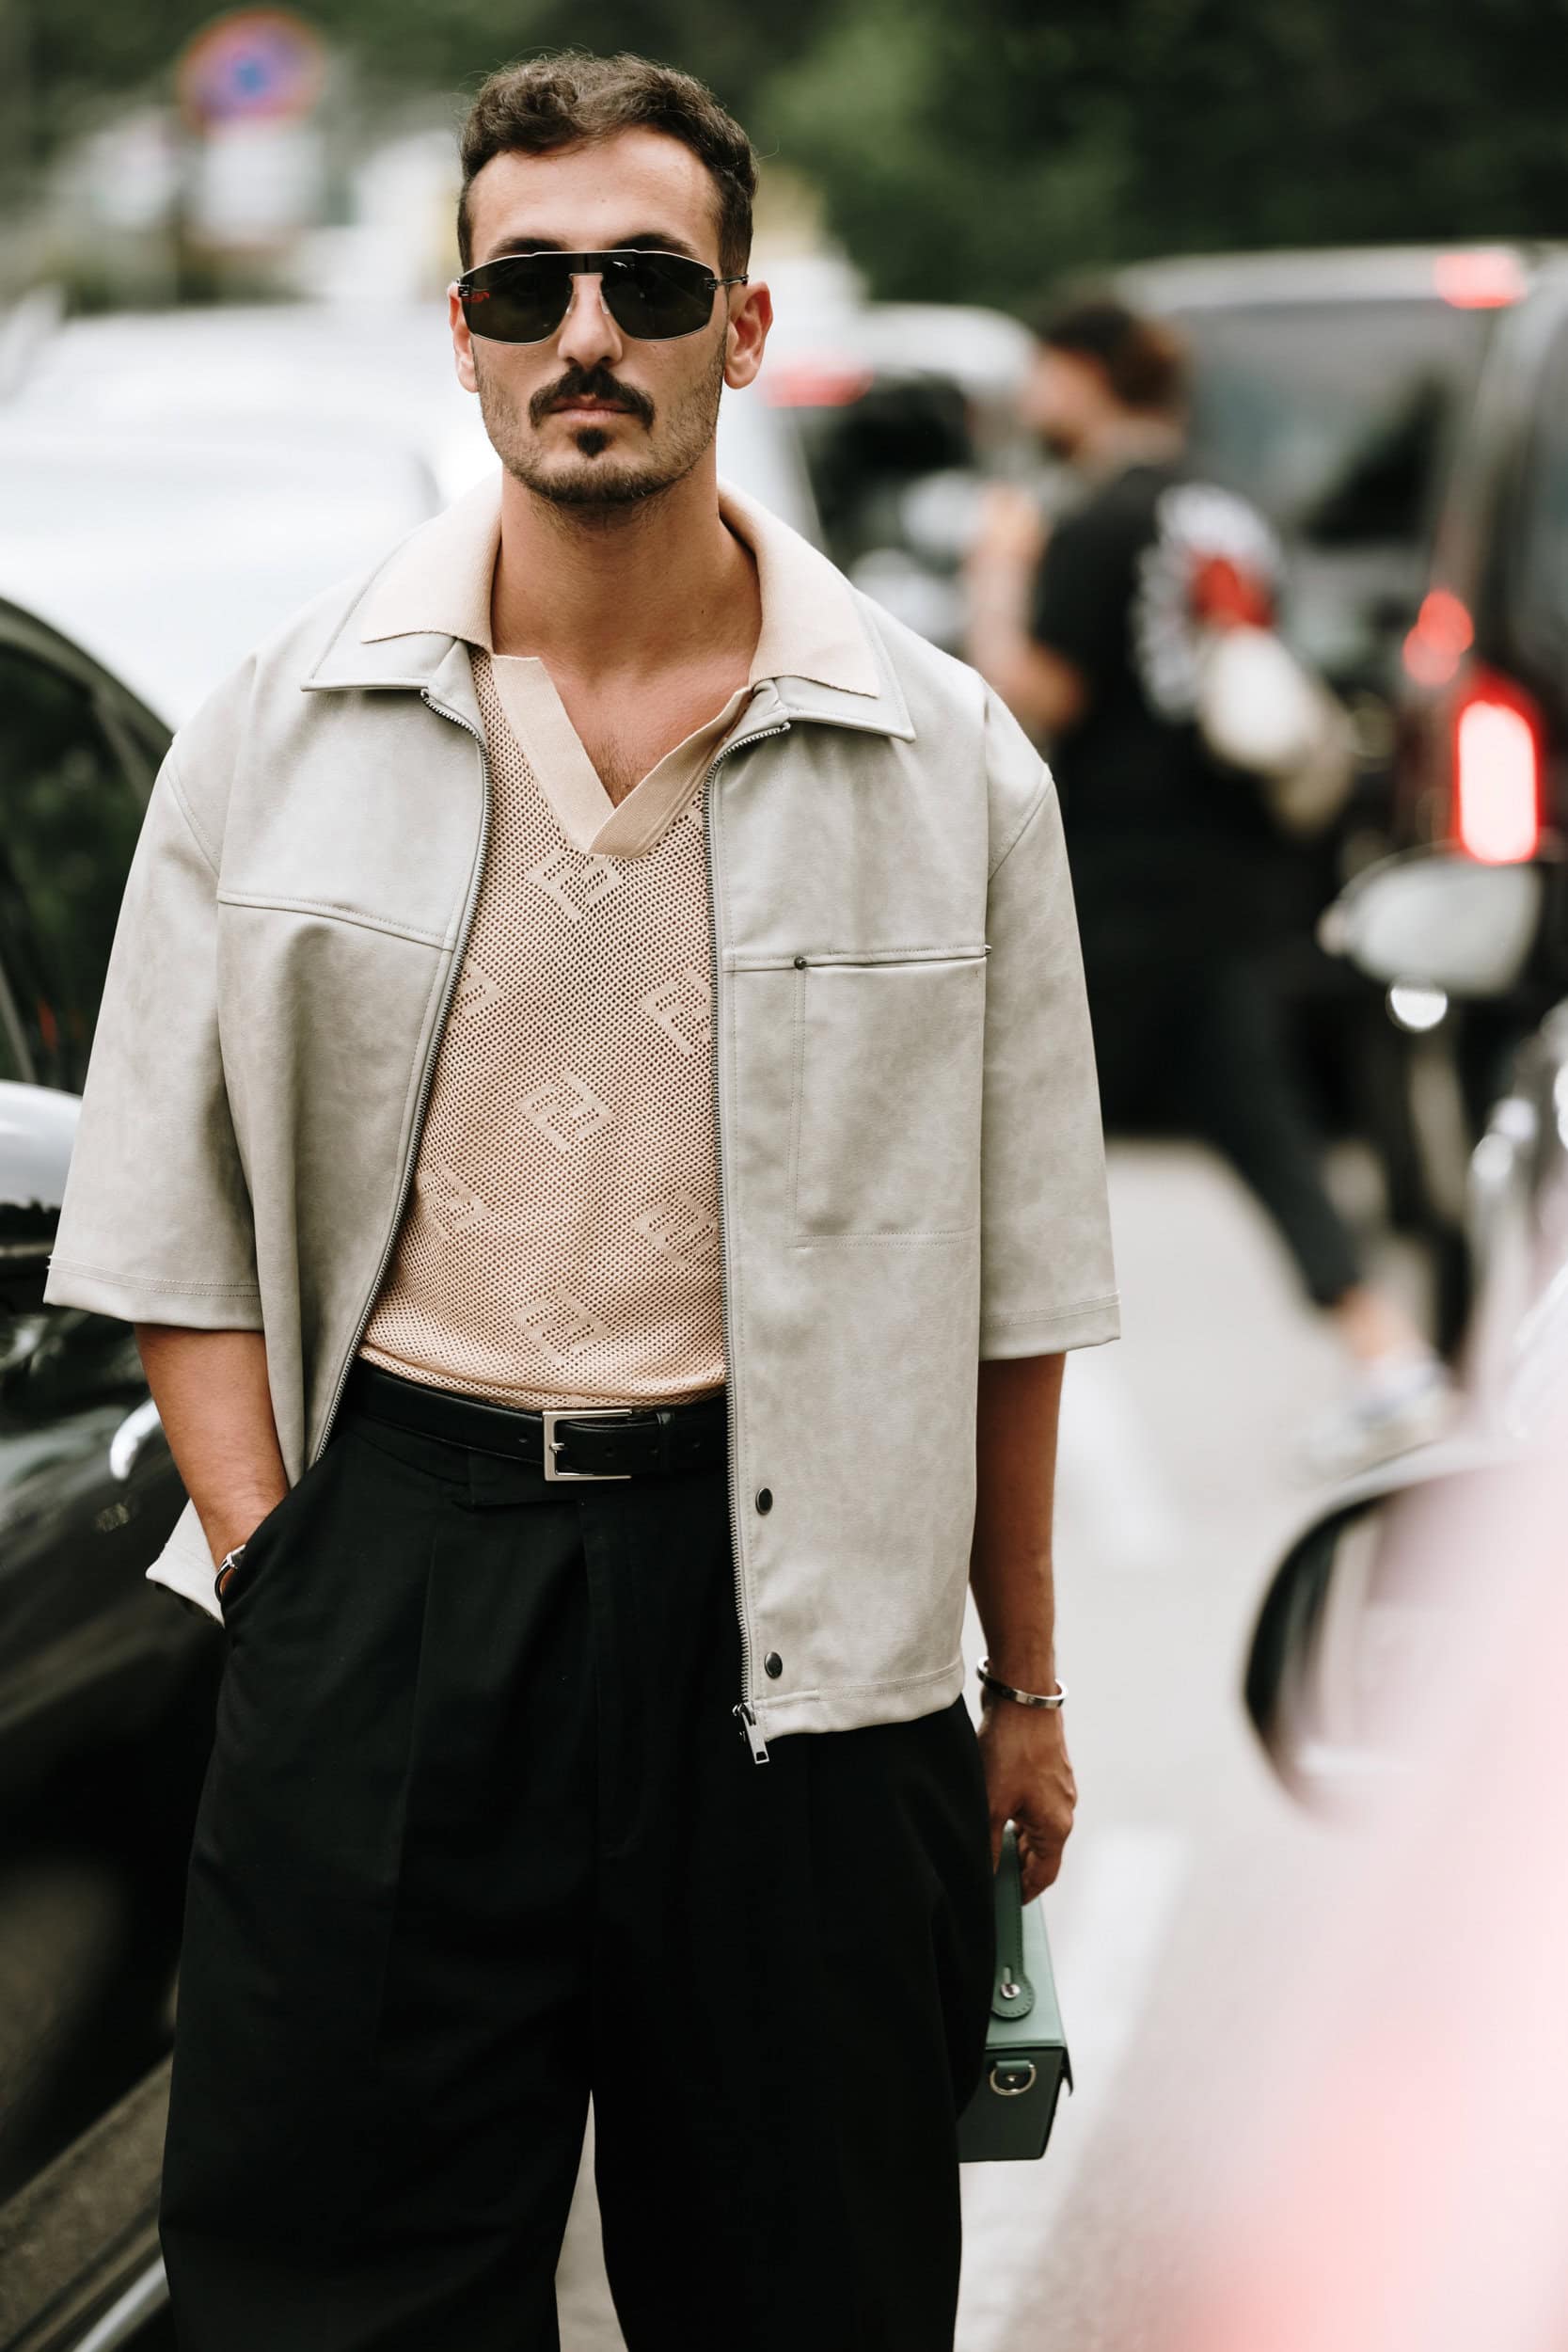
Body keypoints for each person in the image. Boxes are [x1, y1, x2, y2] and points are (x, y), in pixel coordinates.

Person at [42, 53, 1120, 2352]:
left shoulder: (943, 762)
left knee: (808, 2287)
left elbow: (1014, 1270)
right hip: (396, 1572)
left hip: (803, 1633)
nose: (587, 335)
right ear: (463, 333)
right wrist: (281, 1572)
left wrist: (1017, 1678)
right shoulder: (278, 729)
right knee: (335, 2292)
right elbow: (164, 1211)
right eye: (527, 288)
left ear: (742, 324)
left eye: (647, 281)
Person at [966, 297, 1452, 1476]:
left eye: (1044, 374)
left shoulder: (1095, 523)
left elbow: (1034, 692)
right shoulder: (1222, 505)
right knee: (1242, 1110)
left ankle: (918, 1392)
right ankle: (1386, 1356)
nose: (1032, 401)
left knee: (983, 1113)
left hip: (1127, 877)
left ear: (1088, 378)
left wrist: (997, 571)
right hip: (1232, 863)